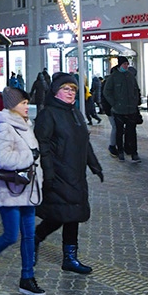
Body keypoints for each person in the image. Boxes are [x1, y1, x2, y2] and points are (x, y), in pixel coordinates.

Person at [0, 87, 46, 295]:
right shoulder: (5, 127)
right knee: (11, 235)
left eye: (27, 102)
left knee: (29, 236)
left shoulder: (26, 125)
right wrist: (29, 158)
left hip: (27, 188)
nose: (27, 106)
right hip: (9, 191)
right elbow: (1, 159)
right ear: (13, 105)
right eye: (23, 103)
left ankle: (27, 278)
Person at [34, 72, 103, 274]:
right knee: (63, 214)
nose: (70, 93)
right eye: (65, 89)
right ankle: (36, 237)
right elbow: (42, 145)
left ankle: (70, 258)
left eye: (73, 89)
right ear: (56, 92)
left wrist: (94, 165)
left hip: (76, 173)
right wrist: (48, 172)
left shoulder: (75, 112)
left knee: (73, 213)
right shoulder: (48, 114)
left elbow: (84, 142)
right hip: (58, 173)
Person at [102, 56, 143, 162]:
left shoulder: (130, 76)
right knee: (119, 132)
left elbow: (136, 90)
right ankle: (120, 151)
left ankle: (134, 152)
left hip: (131, 110)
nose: (126, 66)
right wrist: (114, 103)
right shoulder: (114, 77)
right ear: (120, 65)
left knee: (132, 132)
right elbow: (107, 92)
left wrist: (135, 102)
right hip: (119, 110)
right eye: (124, 64)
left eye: (127, 64)